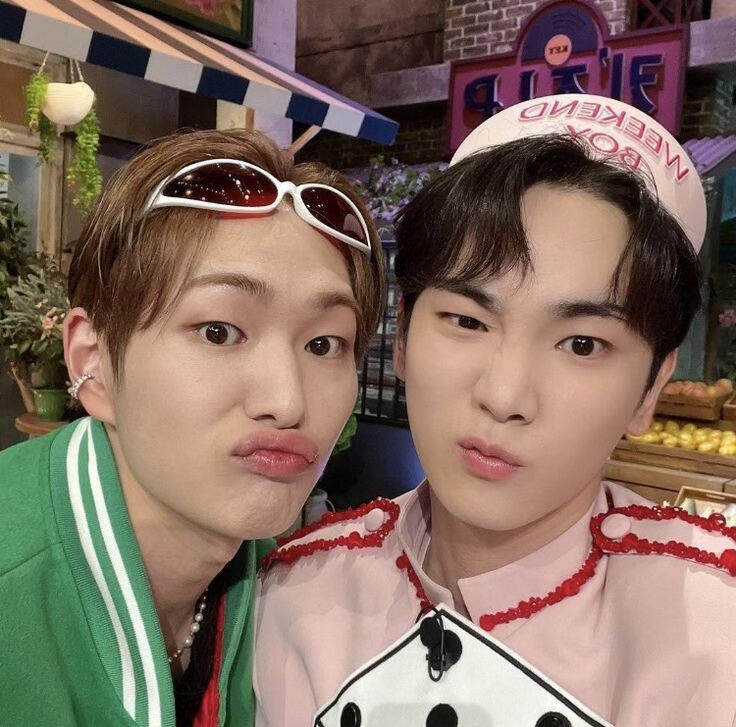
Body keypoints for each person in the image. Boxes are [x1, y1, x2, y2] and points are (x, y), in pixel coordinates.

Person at [254, 95, 736, 727]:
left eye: (582, 344)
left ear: (650, 389)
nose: (504, 397)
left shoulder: (714, 626)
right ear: (402, 338)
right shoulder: (291, 596)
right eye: (467, 320)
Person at [0, 128, 385, 726]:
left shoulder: (291, 588)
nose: (287, 402)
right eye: (218, 332)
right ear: (92, 363)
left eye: (324, 343)